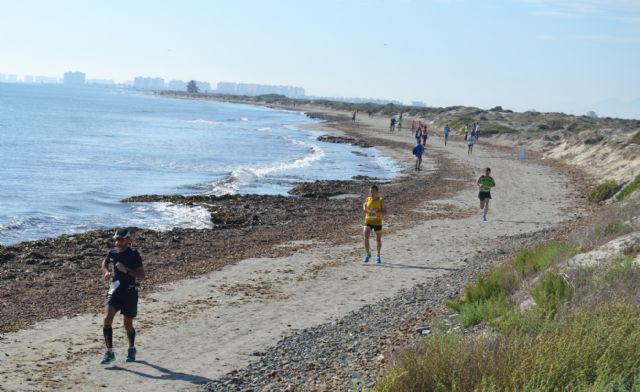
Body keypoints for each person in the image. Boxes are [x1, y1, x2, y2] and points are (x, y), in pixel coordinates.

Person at [100, 228, 146, 365]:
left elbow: (142, 276)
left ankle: (131, 348)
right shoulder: (112, 252)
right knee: (107, 318)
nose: (117, 243)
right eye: (116, 240)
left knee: (128, 324)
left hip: (130, 292)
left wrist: (126, 270)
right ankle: (109, 352)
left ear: (127, 240)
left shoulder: (133, 255)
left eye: (120, 240)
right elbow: (104, 263)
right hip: (114, 290)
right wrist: (106, 272)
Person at [362, 185, 386, 265]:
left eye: (373, 192)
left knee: (378, 240)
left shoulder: (380, 200)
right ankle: (368, 254)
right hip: (368, 221)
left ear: (377, 192)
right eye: (370, 192)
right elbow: (364, 205)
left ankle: (378, 255)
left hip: (377, 222)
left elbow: (385, 211)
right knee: (365, 238)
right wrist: (364, 209)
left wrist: (378, 212)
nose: (371, 193)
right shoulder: (368, 199)